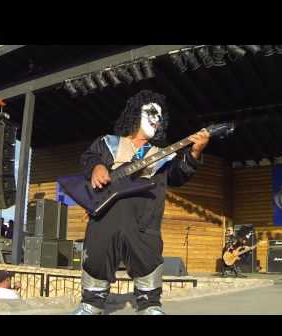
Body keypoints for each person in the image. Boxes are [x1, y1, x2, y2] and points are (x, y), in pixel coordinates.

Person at [70, 90, 210, 315]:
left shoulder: (162, 154)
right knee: (98, 250)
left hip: (145, 215)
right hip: (106, 212)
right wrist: (97, 167)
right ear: (135, 114)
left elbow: (177, 176)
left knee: (147, 253)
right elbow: (89, 158)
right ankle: (91, 303)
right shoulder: (109, 143)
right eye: (151, 112)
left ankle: (150, 304)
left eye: (160, 116)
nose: (157, 119)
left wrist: (195, 152)